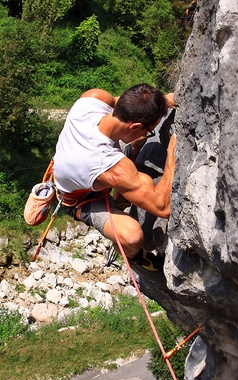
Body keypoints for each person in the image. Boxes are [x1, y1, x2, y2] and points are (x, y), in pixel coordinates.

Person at [53, 84, 176, 271]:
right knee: (133, 237)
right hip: (80, 198)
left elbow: (125, 103)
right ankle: (134, 255)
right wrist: (172, 154)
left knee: (138, 141)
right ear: (135, 126)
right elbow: (162, 206)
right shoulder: (111, 167)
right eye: (148, 130)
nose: (147, 134)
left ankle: (122, 198)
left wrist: (163, 101)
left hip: (78, 166)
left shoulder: (92, 99)